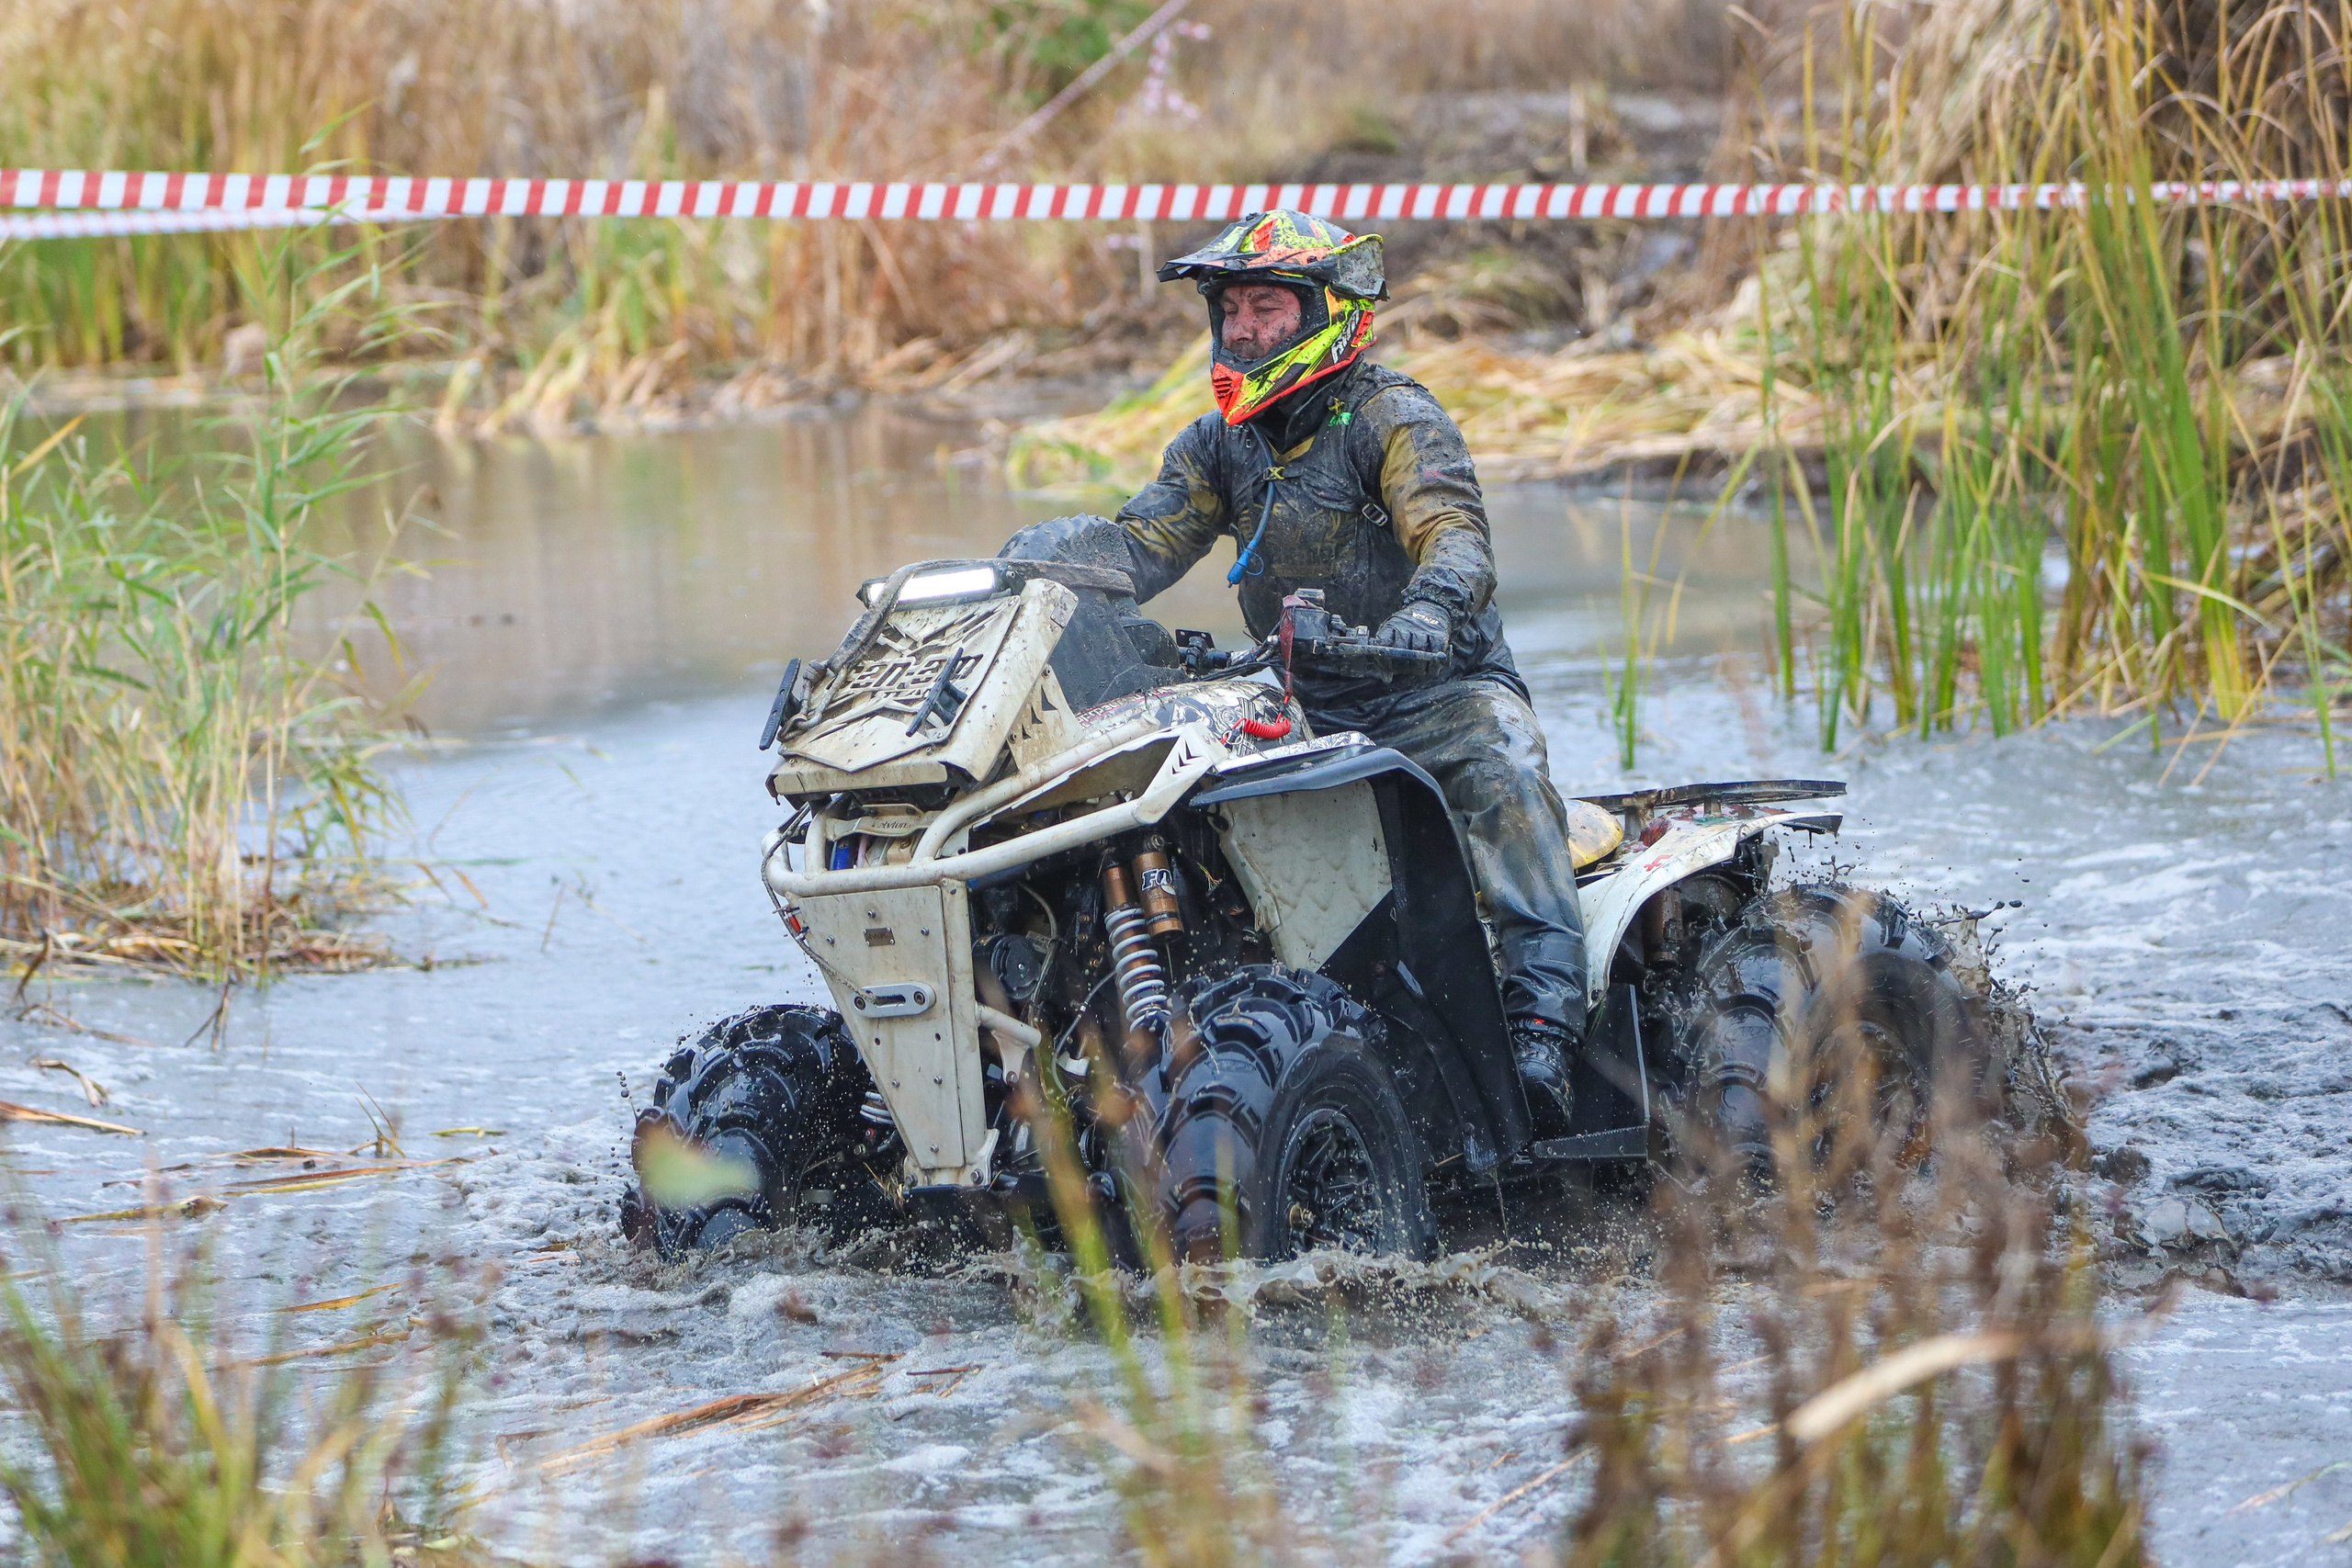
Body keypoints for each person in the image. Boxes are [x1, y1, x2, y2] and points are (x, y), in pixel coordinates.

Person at [1103, 208, 1589, 1125]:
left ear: (1327, 312)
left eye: (1266, 309)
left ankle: (1544, 1028)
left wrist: (1428, 614)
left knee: (1504, 765)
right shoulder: (1218, 443)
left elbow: (1454, 534)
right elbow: (1136, 546)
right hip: (1300, 706)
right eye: (1231, 310)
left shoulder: (1392, 418)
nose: (1244, 330)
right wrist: (1036, 573)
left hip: (1436, 691)